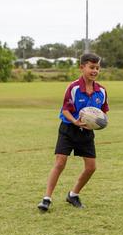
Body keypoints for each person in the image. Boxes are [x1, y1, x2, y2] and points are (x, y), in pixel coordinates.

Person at [37, 53, 109, 211]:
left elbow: (103, 113)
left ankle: (73, 195)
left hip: (86, 132)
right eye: (91, 67)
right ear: (82, 67)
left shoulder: (101, 91)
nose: (95, 70)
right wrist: (75, 121)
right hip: (69, 128)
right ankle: (46, 198)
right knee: (60, 163)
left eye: (97, 68)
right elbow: (66, 109)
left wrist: (98, 124)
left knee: (91, 167)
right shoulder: (74, 88)